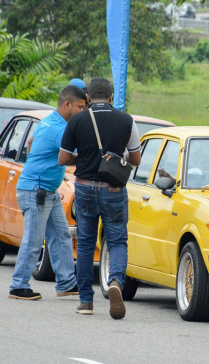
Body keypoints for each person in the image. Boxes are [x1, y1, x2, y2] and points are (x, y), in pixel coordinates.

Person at [58, 78, 141, 319]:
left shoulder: (77, 120)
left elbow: (63, 159)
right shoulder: (127, 120)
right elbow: (135, 160)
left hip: (83, 188)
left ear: (88, 98)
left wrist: (83, 158)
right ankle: (115, 281)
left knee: (85, 243)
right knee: (116, 241)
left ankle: (86, 301)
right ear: (112, 97)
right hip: (113, 190)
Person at [9, 85, 87, 300]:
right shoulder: (59, 129)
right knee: (34, 240)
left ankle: (66, 283)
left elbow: (32, 142)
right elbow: (75, 155)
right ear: (67, 104)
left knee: (61, 236)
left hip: (46, 190)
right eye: (80, 107)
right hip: (36, 190)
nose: (82, 111)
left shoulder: (50, 121)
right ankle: (18, 285)